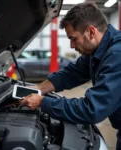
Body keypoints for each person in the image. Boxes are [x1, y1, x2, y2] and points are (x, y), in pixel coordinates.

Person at [21, 2, 121, 149]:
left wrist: (43, 102)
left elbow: (92, 109)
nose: (72, 46)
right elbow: (72, 73)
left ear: (91, 32)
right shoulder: (98, 50)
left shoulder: (117, 55)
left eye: (73, 38)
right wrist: (37, 88)